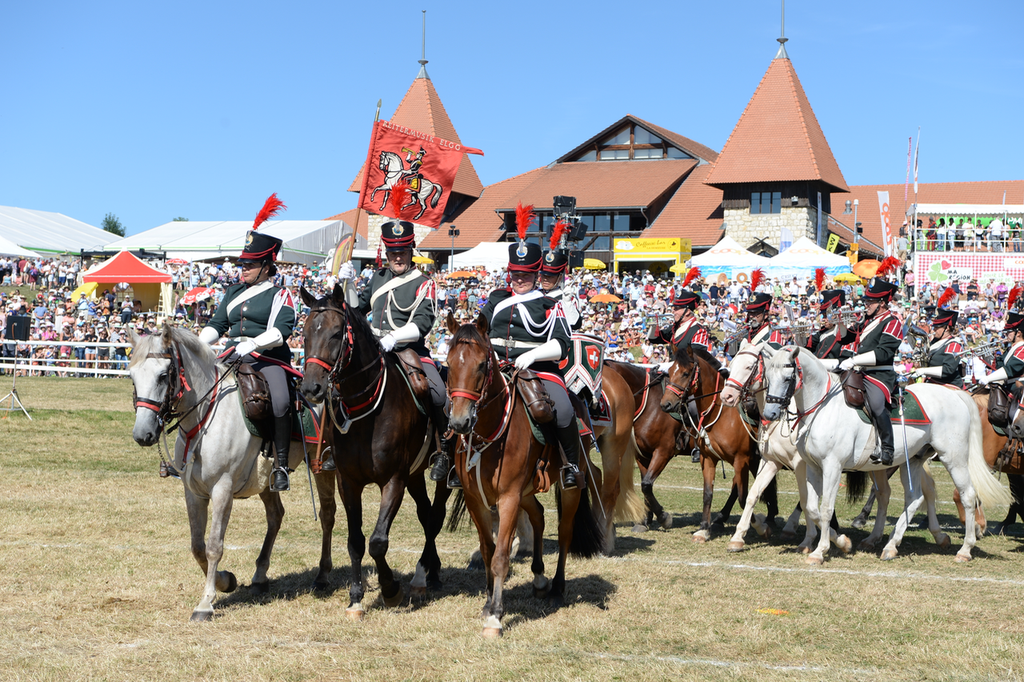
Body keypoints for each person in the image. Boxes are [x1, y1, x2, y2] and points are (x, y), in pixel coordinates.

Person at [337, 219, 452, 485]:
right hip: (374, 349)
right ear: (386, 252)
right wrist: (349, 284)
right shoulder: (378, 277)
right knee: (339, 383)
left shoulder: (424, 283)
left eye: (402, 251)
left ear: (411, 250)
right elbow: (356, 310)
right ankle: (338, 443)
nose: (397, 256)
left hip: (408, 349)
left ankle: (443, 452)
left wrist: (394, 338)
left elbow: (423, 323)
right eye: (392, 251)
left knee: (437, 393)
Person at [199, 195, 297, 492]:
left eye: (250, 264)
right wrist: (198, 343)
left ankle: (280, 465)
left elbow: (281, 331)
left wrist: (253, 344)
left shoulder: (280, 294)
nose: (243, 269)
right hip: (232, 355)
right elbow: (217, 325)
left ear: (266, 266)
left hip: (269, 359)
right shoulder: (232, 292)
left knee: (280, 401)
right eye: (242, 264)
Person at [479, 221, 580, 488]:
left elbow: (561, 344)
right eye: (516, 274)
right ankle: (451, 456)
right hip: (498, 367)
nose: (520, 280)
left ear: (536, 274)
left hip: (539, 370)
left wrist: (533, 355)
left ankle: (571, 464)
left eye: (526, 274)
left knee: (564, 410)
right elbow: (479, 330)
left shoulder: (549, 305)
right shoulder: (497, 299)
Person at [824, 259, 903, 466]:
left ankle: (887, 449)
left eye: (870, 301)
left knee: (877, 405)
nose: (865, 304)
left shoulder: (893, 321)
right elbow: (848, 337)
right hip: (860, 371)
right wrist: (840, 323)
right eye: (866, 300)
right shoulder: (867, 320)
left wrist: (853, 360)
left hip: (879, 375)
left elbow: (883, 353)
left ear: (883, 303)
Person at [910, 288, 964, 388]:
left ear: (947, 328)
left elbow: (948, 370)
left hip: (948, 386)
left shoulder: (954, 344)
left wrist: (924, 371)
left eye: (937, 327)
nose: (933, 330)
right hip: (932, 383)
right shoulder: (934, 341)